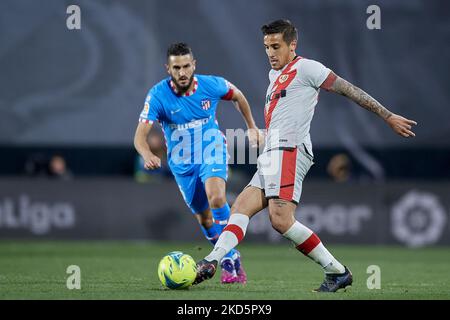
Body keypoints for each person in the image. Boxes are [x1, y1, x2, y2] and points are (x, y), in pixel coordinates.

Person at [194, 19, 417, 292]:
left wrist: (387, 116)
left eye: (276, 46)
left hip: (291, 149)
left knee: (281, 220)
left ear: (292, 45)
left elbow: (350, 90)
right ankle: (211, 261)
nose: (270, 53)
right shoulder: (274, 77)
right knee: (240, 208)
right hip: (274, 150)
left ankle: (336, 271)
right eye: (266, 47)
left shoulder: (307, 68)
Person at [134, 43, 263, 284]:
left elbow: (238, 95)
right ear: (168, 69)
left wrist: (252, 127)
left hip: (211, 148)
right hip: (182, 164)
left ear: (194, 65)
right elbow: (140, 136)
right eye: (176, 67)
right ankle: (232, 255)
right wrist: (146, 154)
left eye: (186, 66)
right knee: (205, 219)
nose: (182, 72)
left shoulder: (211, 84)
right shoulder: (158, 95)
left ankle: (223, 259)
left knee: (216, 197)